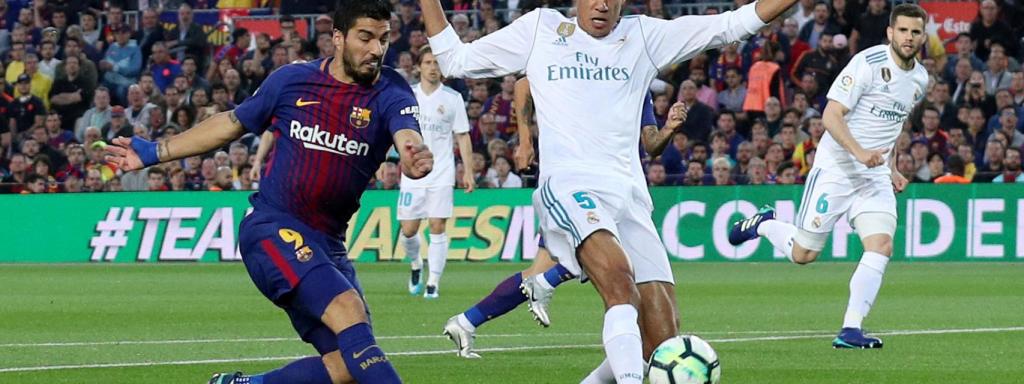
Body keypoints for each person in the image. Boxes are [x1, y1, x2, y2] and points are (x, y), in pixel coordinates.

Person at [419, 0, 797, 380]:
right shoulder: (539, 29)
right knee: (619, 280)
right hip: (569, 185)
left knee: (660, 343)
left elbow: (733, 24)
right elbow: (454, 60)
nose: (601, 4)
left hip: (629, 199)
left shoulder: (645, 36)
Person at [105, 2, 432, 383]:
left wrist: (412, 152)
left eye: (384, 39)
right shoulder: (291, 81)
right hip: (272, 225)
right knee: (348, 309)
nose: (377, 49)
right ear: (339, 38)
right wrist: (156, 151)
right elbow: (230, 123)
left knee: (349, 365)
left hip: (329, 245)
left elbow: (406, 134)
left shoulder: (391, 89)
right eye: (366, 38)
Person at [728, 4, 929, 349]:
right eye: (904, 31)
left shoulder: (920, 79)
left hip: (875, 175)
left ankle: (851, 330)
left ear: (923, 36)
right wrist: (859, 152)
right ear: (890, 32)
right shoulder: (867, 64)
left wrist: (892, 167)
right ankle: (763, 224)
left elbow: (893, 125)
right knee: (803, 254)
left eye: (915, 32)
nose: (909, 38)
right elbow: (831, 116)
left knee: (881, 244)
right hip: (836, 168)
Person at [443, 76, 687, 359]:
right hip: (573, 186)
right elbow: (524, 85)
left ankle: (466, 321)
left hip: (617, 193)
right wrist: (525, 140)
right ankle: (549, 282)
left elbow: (650, 143)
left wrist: (668, 128)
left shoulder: (636, 83)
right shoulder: (585, 67)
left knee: (544, 269)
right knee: (602, 258)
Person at [399, 46, 476, 299]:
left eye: (437, 63)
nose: (433, 67)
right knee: (409, 230)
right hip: (412, 173)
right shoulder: (406, 96)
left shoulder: (452, 98)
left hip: (442, 171)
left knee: (437, 225)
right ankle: (416, 264)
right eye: (428, 62)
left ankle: (433, 282)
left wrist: (468, 171)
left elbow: (462, 136)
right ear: (419, 66)